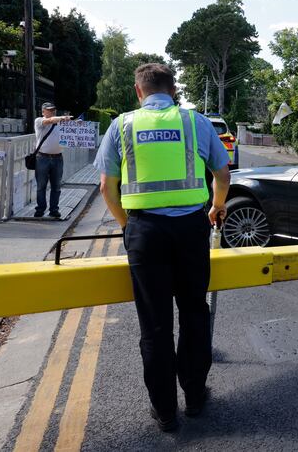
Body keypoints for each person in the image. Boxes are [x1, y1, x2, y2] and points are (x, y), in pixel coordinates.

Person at [94, 63, 231, 432]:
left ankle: (165, 412)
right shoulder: (195, 122)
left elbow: (107, 186)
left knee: (154, 326)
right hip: (190, 229)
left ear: (138, 92)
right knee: (194, 313)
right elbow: (222, 172)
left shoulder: (122, 125)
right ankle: (196, 396)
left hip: (145, 232)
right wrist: (216, 207)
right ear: (173, 90)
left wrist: (127, 227)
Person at [34, 102, 72, 218]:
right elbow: (49, 121)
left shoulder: (61, 123)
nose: (52, 112)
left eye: (53, 110)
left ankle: (54, 210)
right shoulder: (39, 121)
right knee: (41, 186)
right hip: (42, 158)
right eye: (49, 110)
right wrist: (61, 118)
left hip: (57, 158)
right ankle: (40, 209)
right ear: (43, 112)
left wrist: (77, 124)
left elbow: (72, 130)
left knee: (56, 186)